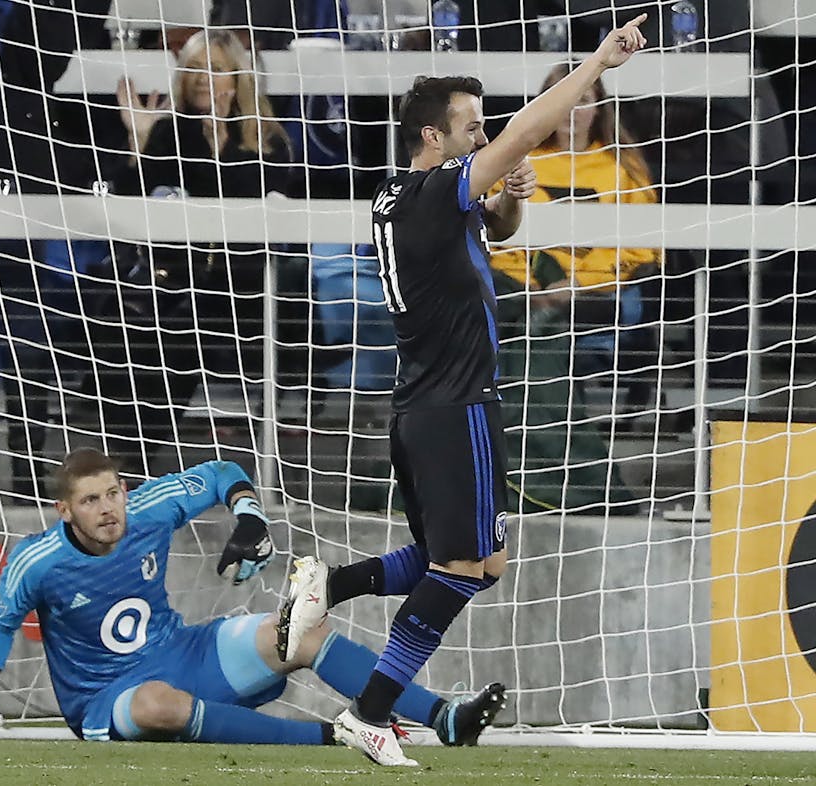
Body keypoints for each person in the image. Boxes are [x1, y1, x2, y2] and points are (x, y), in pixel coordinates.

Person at [276, 15, 651, 766]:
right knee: (461, 567)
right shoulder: (430, 194)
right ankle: (371, 712)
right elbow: (528, 128)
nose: (483, 139)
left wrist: (511, 196)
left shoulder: (405, 198)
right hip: (457, 407)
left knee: (481, 562)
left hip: (429, 407)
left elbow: (502, 232)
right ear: (431, 139)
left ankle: (335, 581)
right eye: (471, 129)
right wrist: (598, 62)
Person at [0, 448, 505, 746]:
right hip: (106, 698)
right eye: (91, 501)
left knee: (299, 630)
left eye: (114, 493)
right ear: (65, 511)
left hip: (183, 652)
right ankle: (331, 735)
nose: (108, 509)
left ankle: (444, 718)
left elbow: (222, 471)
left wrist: (249, 518)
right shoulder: (38, 559)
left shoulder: (147, 508)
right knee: (156, 704)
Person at [95, 29, 294, 478]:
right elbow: (129, 204)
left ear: (237, 79)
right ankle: (130, 462)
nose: (205, 78)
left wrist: (221, 147)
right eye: (195, 69)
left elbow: (262, 216)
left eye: (217, 69)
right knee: (144, 333)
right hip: (172, 281)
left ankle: (133, 462)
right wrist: (138, 142)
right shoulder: (168, 131)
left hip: (242, 287)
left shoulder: (264, 140)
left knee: (184, 335)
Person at [487, 63, 658, 513]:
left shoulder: (623, 165)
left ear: (598, 107)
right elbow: (497, 236)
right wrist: (533, 284)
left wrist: (577, 283)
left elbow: (642, 250)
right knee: (516, 323)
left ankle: (568, 478)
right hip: (523, 293)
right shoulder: (518, 162)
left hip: (598, 296)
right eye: (558, 101)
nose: (569, 112)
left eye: (581, 101)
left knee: (535, 334)